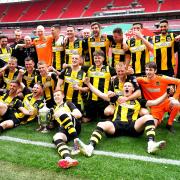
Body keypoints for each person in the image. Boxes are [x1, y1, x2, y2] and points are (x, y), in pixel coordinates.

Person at [77, 81, 170, 157]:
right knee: (101, 124)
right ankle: (90, 147)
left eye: (129, 86)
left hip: (133, 125)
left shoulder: (139, 101)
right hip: (117, 124)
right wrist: (89, 84)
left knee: (149, 117)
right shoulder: (117, 98)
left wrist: (167, 93)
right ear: (122, 89)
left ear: (133, 89)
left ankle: (151, 144)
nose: (126, 87)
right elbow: (100, 94)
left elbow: (155, 102)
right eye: (125, 86)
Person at [137, 62, 180, 132]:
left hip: (166, 102)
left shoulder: (162, 78)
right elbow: (130, 80)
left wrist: (175, 97)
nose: (148, 72)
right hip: (155, 106)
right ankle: (158, 118)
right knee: (153, 125)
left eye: (150, 70)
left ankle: (169, 124)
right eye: (147, 70)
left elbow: (179, 81)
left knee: (176, 104)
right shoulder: (141, 80)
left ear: (155, 71)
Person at [82, 49, 116, 123]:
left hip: (104, 100)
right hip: (91, 99)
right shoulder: (89, 68)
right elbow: (77, 68)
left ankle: (110, 114)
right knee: (86, 120)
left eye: (99, 58)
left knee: (106, 120)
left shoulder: (110, 69)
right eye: (95, 58)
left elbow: (118, 79)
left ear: (103, 59)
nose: (97, 60)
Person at [52, 90, 82, 169]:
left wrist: (65, 113)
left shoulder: (68, 103)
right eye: (54, 95)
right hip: (64, 129)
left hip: (74, 125)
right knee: (56, 137)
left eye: (58, 95)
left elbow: (79, 114)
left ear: (63, 96)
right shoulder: (54, 110)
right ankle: (68, 158)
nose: (56, 97)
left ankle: (76, 142)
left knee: (62, 113)